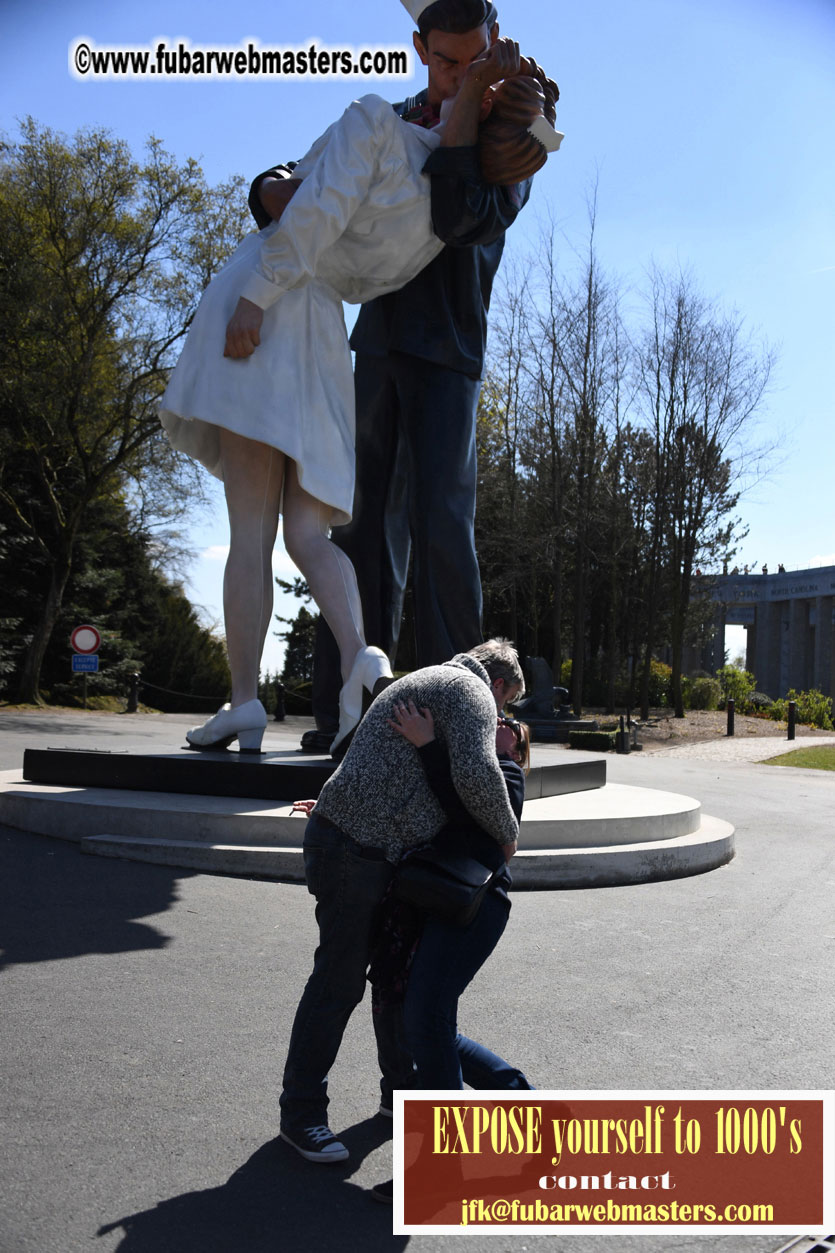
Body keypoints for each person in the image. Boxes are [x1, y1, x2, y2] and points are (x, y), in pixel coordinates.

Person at [162, 38, 556, 758]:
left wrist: (470, 117)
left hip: (445, 347)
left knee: (440, 521)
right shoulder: (397, 115)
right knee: (358, 525)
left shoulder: (508, 145)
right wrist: (267, 189)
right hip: (369, 340)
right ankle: (344, 701)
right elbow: (307, 181)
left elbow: (461, 214)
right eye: (446, 59)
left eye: (469, 61)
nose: (456, 70)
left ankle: (450, 710)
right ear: (430, 52)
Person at [278, 638, 524, 1163]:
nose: (501, 716)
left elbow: (377, 760)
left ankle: (400, 1094)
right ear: (498, 686)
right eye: (505, 705)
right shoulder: (469, 693)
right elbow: (479, 775)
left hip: (361, 844)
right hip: (359, 849)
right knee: (339, 981)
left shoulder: (431, 682)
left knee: (392, 981)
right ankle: (301, 1115)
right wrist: (508, 836)